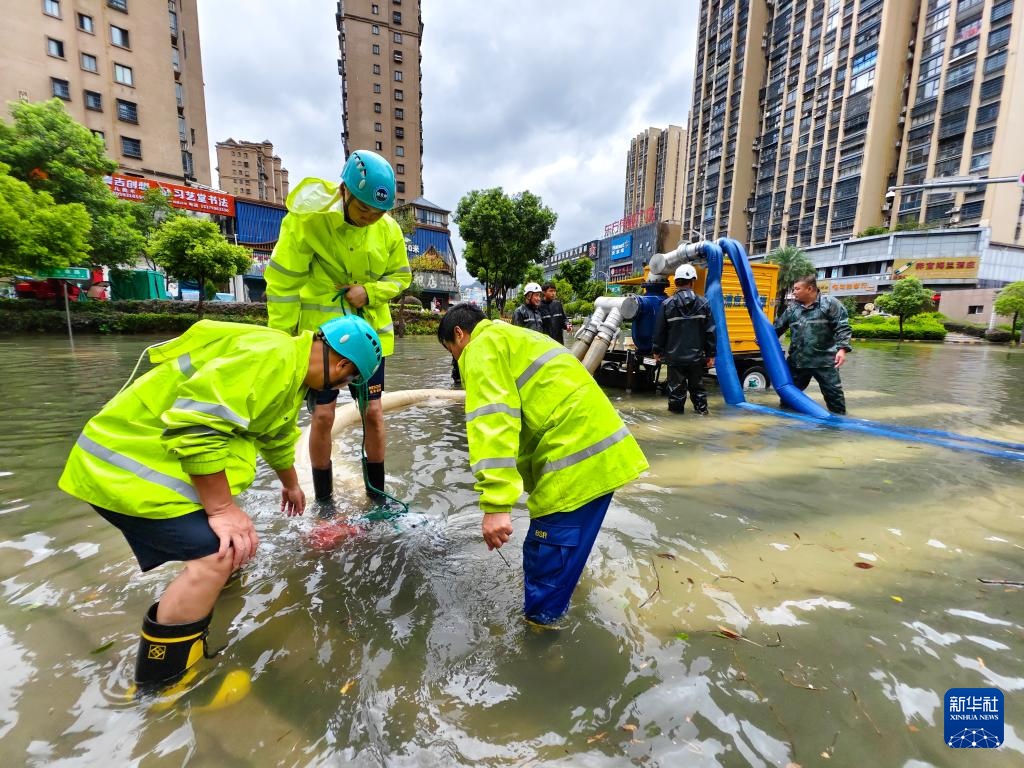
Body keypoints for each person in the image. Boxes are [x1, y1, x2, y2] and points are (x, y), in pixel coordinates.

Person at [58, 316, 382, 689]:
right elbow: (197, 427)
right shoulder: (269, 359)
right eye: (346, 382)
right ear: (342, 365)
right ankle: (164, 685)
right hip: (124, 469)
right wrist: (222, 510)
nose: (341, 389)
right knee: (218, 553)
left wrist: (291, 484)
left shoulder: (286, 368)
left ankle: (207, 613)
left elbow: (275, 432)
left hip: (145, 465)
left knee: (237, 543)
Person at [438, 303, 649, 625]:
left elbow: (493, 422)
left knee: (545, 558)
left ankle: (541, 641)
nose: (456, 359)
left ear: (459, 334)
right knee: (560, 557)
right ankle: (558, 607)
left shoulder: (480, 348)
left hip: (574, 461)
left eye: (452, 351)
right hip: (601, 455)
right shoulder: (515, 337)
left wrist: (496, 504)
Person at [264, 149, 411, 510]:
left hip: (369, 340)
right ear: (344, 190)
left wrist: (371, 292)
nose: (369, 219)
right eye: (363, 210)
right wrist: (282, 344)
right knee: (324, 415)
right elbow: (282, 285)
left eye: (378, 213)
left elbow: (402, 276)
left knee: (373, 413)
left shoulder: (387, 229)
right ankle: (325, 504)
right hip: (323, 341)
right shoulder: (308, 222)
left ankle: (377, 499)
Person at [774, 274, 852, 414]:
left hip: (825, 363)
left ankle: (838, 429)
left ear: (809, 289)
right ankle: (786, 427)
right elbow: (776, 329)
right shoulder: (792, 310)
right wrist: (762, 339)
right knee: (788, 399)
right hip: (798, 363)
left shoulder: (829, 303)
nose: (794, 292)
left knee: (835, 399)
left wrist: (842, 349)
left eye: (797, 289)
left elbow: (843, 327)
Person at [652, 264, 716, 415]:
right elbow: (711, 331)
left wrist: (657, 350)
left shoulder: (667, 305)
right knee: (698, 391)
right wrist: (711, 354)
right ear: (692, 281)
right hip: (696, 358)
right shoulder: (704, 303)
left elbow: (659, 331)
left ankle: (675, 421)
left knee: (675, 393)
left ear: (676, 282)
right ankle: (702, 416)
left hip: (674, 359)